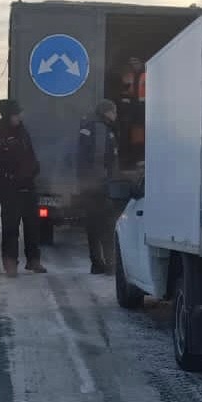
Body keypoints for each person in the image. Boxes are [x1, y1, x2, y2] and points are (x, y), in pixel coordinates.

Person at [0, 99, 45, 276]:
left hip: (28, 186)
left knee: (33, 226)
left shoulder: (22, 131)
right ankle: (10, 264)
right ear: (9, 115)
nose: (20, 117)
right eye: (17, 114)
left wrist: (35, 168)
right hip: (10, 189)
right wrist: (7, 177)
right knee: (11, 228)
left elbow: (30, 154)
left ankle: (34, 261)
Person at [75, 99, 120, 274]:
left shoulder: (90, 126)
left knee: (92, 227)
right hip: (98, 187)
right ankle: (109, 263)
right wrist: (107, 181)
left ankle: (97, 263)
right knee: (106, 226)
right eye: (114, 111)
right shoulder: (101, 130)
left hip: (89, 186)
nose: (116, 115)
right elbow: (101, 160)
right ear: (107, 112)